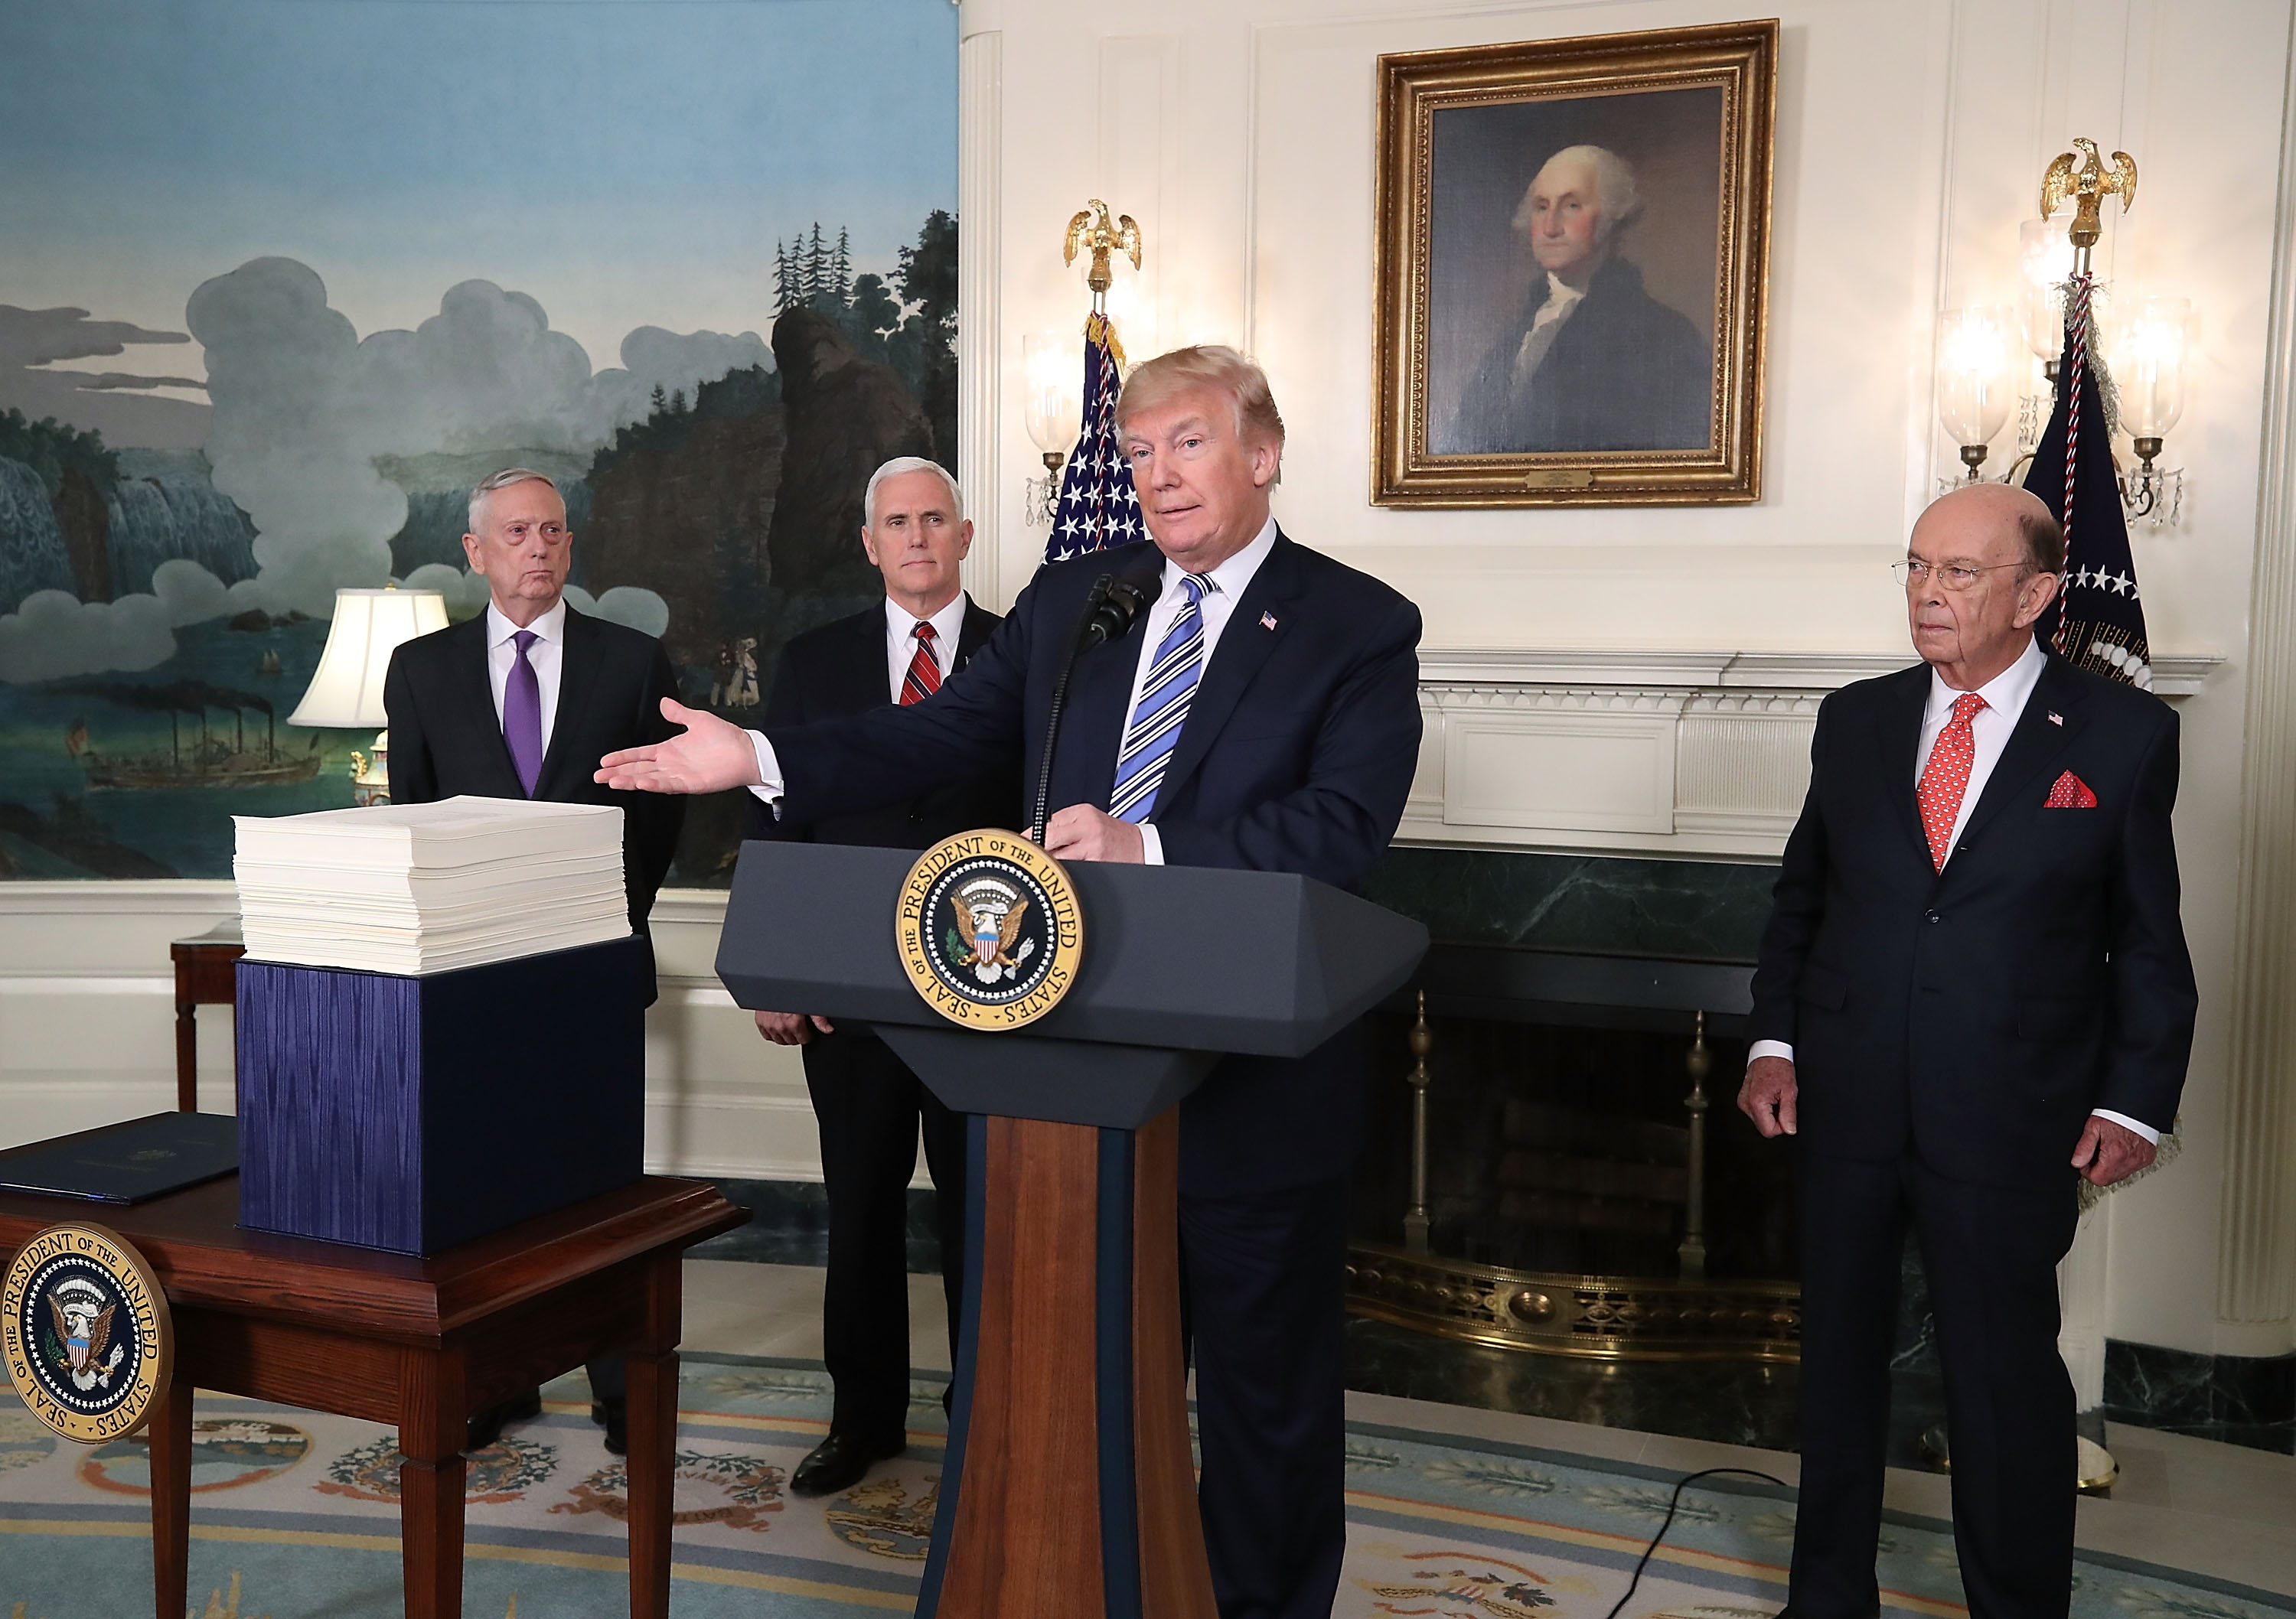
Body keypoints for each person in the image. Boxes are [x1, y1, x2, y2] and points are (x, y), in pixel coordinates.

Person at [596, 345, 1424, 1619]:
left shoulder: (1355, 623)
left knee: (1265, 1403)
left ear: (1262, 454)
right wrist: (757, 756)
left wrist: (1147, 845)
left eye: (1188, 444)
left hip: (1255, 1094)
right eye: (1138, 453)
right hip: (1068, 1075)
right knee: (1073, 1386)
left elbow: (1343, 828)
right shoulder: (1080, 600)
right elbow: (933, 731)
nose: (1157, 477)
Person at [1739, 481, 2195, 1619]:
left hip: (2008, 1108)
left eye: (1958, 573)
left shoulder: (2125, 736)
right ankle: (1826, 1599)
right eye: (1915, 567)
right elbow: (1803, 903)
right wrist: (1775, 1042)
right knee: (1838, 1369)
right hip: (1841, 1100)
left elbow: (2148, 941)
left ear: (2037, 594)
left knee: (2002, 1382)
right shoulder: (1854, 719)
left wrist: (2136, 1102)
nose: (1926, 594)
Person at [384, 466, 685, 1456]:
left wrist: (608, 918)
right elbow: (417, 820)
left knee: (600, 1189)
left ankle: (615, 1389)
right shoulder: (421, 672)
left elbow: (661, 815)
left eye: (553, 531)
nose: (540, 548)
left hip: (595, 972)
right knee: (478, 1190)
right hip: (466, 987)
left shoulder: (634, 664)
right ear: (476, 551)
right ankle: (494, 1378)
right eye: (517, 532)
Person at [746, 456, 1015, 1498]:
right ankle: (863, 1420)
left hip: (986, 984)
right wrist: (778, 963)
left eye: (933, 519)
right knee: (857, 1209)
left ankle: (985, 1415)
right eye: (896, 522)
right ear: (869, 543)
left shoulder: (1018, 657)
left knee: (979, 1214)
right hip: (845, 993)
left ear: (965, 534)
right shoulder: (813, 662)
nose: (915, 537)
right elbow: (776, 816)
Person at [1446, 143, 1711, 454]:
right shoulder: (1511, 342)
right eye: (1542, 207)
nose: (1550, 227)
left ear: (1613, 216)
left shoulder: (1665, 337)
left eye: (1571, 206)